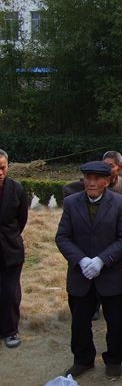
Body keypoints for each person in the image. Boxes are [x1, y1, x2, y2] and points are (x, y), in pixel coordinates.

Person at [55, 161, 122, 379]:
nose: (91, 183)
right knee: (80, 321)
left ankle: (114, 360)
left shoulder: (121, 203)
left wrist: (101, 260)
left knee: (115, 322)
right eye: (87, 178)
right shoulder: (71, 202)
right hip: (80, 275)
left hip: (112, 273)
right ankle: (83, 360)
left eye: (97, 178)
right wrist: (81, 260)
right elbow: (62, 237)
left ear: (107, 181)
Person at [0, 149, 28, 349]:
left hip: (11, 249)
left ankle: (10, 331)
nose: (0, 173)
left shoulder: (17, 189)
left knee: (10, 292)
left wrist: (10, 237)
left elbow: (21, 219)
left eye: (2, 168)